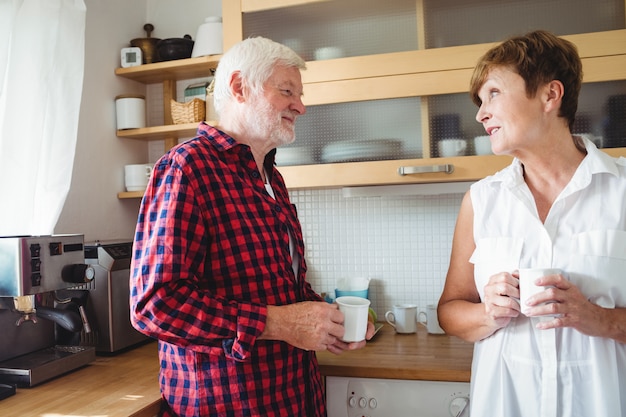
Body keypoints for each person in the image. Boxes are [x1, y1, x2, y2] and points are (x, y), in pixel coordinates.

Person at [130, 37, 374, 417]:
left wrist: (327, 320)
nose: (301, 106)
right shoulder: (186, 169)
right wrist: (278, 323)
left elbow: (280, 290)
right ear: (239, 87)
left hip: (292, 397)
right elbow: (154, 305)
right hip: (228, 404)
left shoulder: (270, 178)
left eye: (300, 94)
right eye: (287, 91)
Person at [437, 30, 626, 417]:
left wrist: (601, 320)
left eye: (493, 93)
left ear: (549, 95)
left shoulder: (622, 190)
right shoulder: (481, 201)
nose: (480, 113)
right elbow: (450, 311)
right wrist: (487, 312)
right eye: (479, 100)